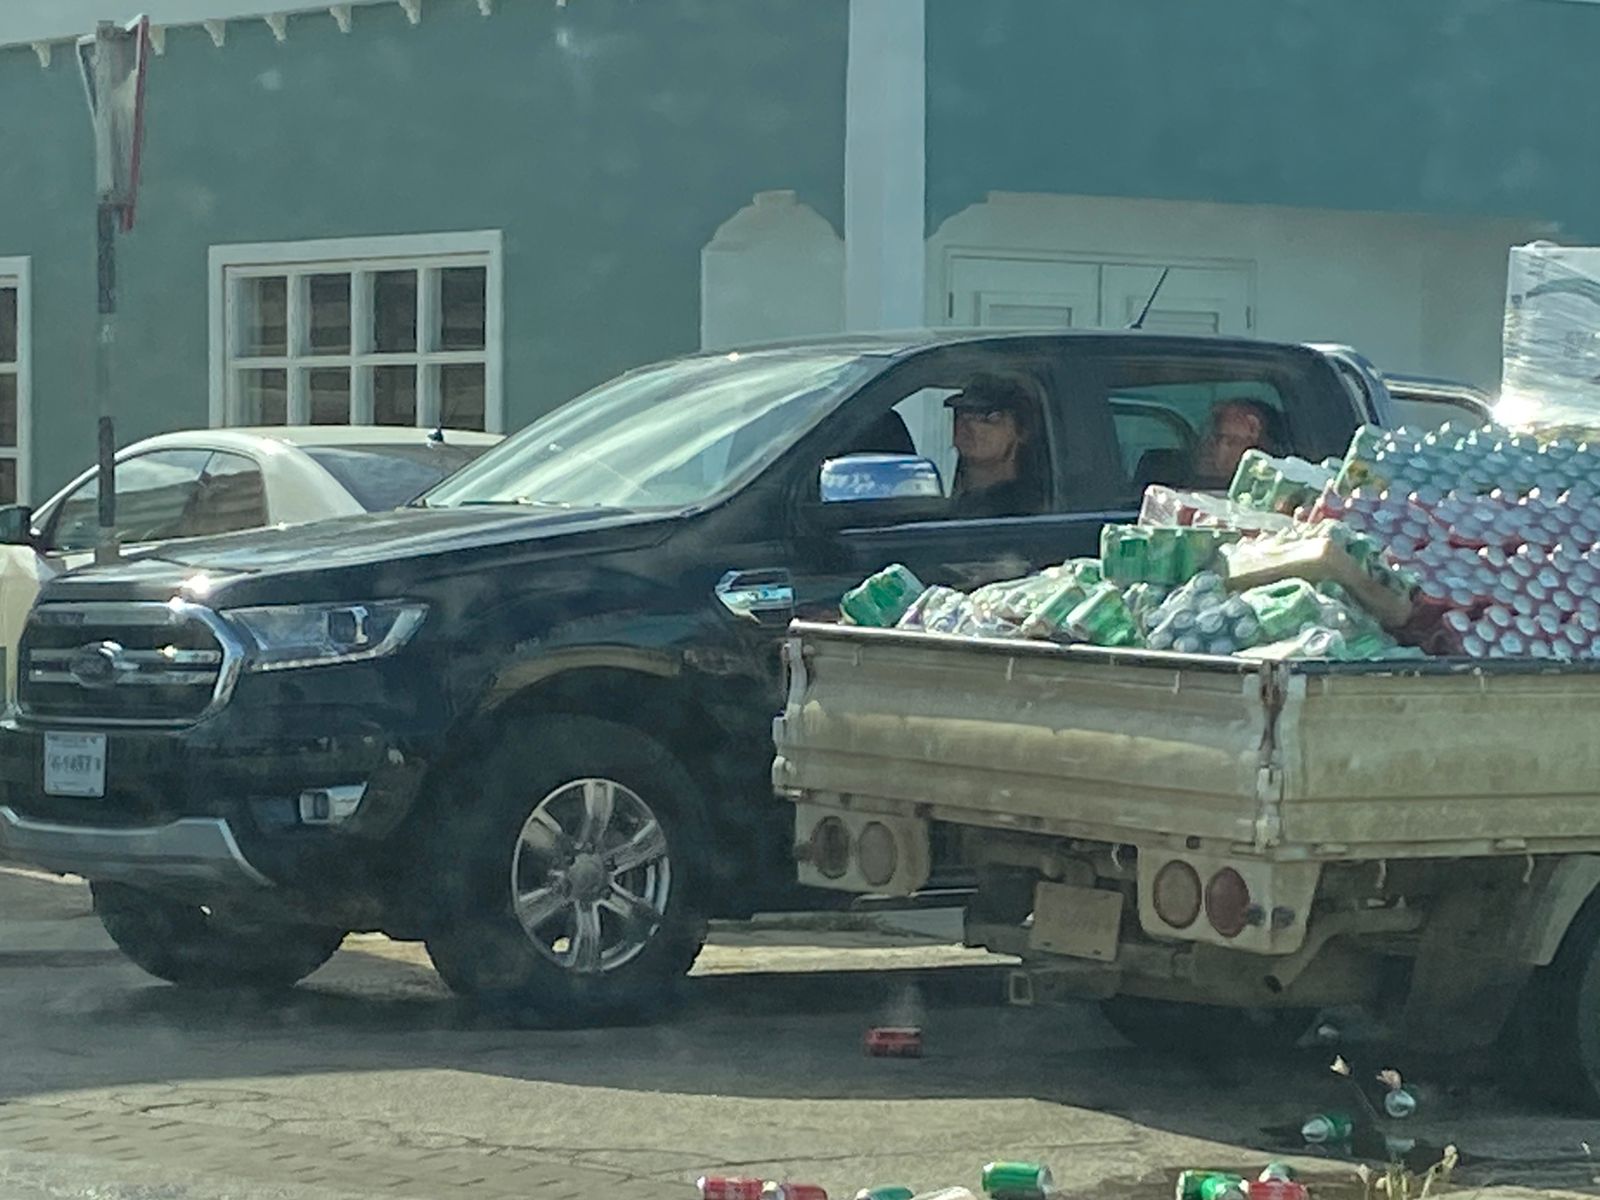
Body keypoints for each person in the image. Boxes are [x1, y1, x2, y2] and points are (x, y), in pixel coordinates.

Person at [946, 374, 1047, 518]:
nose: (971, 424)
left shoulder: (1028, 510)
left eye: (991, 417)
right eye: (962, 413)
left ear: (1023, 430)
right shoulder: (954, 507)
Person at [1193, 397, 1281, 489]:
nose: (1207, 446)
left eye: (1223, 438)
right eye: (1207, 437)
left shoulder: (1282, 496)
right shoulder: (1184, 493)